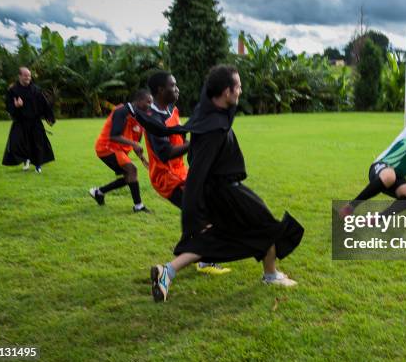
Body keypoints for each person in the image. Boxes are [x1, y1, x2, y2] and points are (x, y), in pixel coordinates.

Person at [129, 65, 304, 302]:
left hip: (223, 188)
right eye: (238, 86)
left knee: (221, 236)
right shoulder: (213, 128)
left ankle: (167, 271)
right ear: (225, 92)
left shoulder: (208, 112)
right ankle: (271, 275)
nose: (241, 90)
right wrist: (195, 212)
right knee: (267, 225)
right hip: (225, 191)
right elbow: (198, 173)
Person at [144, 70, 231, 277]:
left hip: (182, 174)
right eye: (173, 86)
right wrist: (197, 143)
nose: (177, 89)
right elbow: (164, 153)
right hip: (166, 179)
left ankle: (189, 251)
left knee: (201, 212)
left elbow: (180, 138)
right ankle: (204, 260)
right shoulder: (152, 119)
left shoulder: (171, 110)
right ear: (160, 90)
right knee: (203, 215)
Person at [89, 89, 152, 213]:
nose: (150, 105)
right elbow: (114, 136)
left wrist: (143, 159)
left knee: (129, 176)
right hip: (106, 147)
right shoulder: (121, 111)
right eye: (148, 102)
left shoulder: (140, 117)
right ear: (139, 101)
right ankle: (138, 206)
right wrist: (134, 143)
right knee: (132, 170)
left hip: (118, 150)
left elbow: (136, 143)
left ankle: (99, 192)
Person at [2, 67, 55, 173]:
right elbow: (8, 105)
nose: (28, 78)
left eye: (29, 76)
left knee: (38, 144)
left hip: (35, 122)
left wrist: (49, 117)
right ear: (20, 76)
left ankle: (38, 166)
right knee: (17, 143)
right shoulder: (13, 90)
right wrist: (15, 105)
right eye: (25, 75)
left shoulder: (36, 90)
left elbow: (44, 105)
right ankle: (26, 159)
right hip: (20, 122)